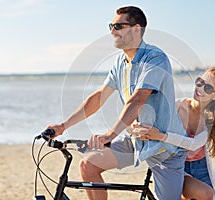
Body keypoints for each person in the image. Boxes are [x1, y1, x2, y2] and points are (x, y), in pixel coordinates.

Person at [46, 6, 188, 200]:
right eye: (111, 25)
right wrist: (63, 125)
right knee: (88, 166)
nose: (112, 30)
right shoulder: (120, 62)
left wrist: (109, 135)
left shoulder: (155, 58)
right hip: (135, 139)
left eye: (119, 25)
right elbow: (98, 98)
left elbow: (138, 99)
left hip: (164, 146)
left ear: (137, 29)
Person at [130, 67, 215, 200]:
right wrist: (137, 126)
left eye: (208, 88)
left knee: (210, 196)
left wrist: (161, 136)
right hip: (177, 164)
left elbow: (193, 144)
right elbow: (150, 116)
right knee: (205, 194)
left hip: (201, 167)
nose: (200, 88)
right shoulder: (177, 106)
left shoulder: (212, 118)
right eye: (200, 82)